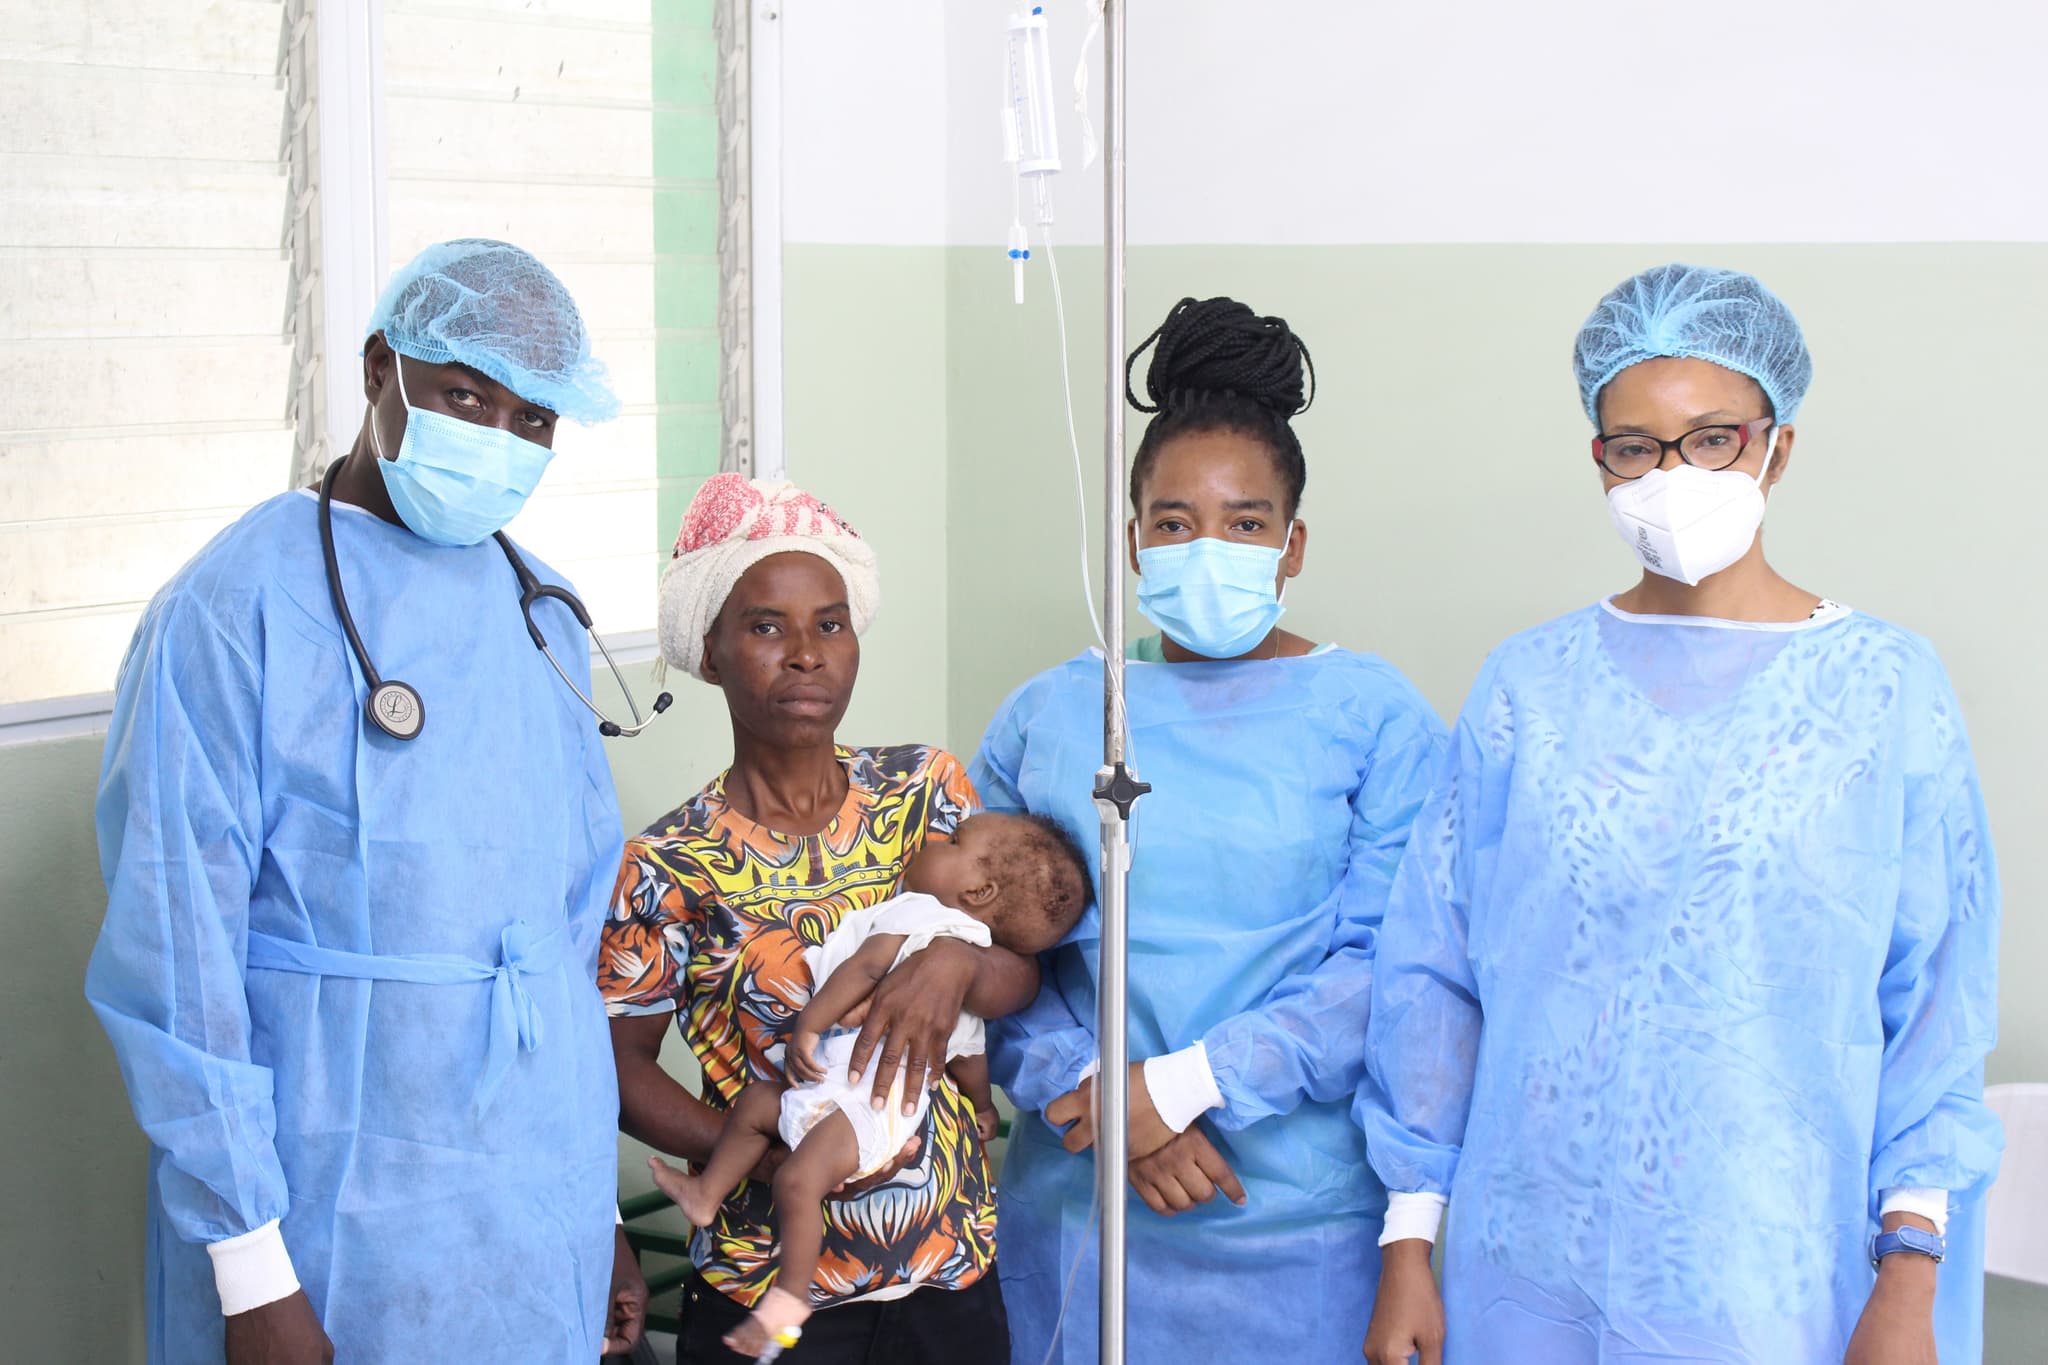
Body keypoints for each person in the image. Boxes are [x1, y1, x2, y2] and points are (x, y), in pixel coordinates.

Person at [1360, 263, 2002, 1365]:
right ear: (1598, 460)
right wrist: (1406, 1241)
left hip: (1778, 1277)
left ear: (1775, 447)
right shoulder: (1527, 687)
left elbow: (1935, 998)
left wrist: (1908, 1272)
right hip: (1524, 1269)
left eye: (1710, 439)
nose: (1672, 473)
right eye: (1635, 444)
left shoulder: (1882, 688)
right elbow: (1433, 972)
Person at [86, 238, 649, 1364]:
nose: (496, 440)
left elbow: (564, 936)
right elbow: (180, 965)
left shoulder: (539, 610)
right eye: (461, 397)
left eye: (532, 419)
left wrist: (594, 1223)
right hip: (330, 1207)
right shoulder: (230, 609)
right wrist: (250, 1273)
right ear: (377, 369)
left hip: (534, 1195)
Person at [973, 296, 1449, 1364]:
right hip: (1083, 1212)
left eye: (1244, 524)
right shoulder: (1055, 716)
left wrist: (1181, 1088)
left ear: (1291, 545)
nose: (1208, 547)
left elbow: (1398, 965)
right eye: (1175, 523)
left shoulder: (1373, 718)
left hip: (1300, 1227)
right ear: (1133, 538)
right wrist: (1092, 1100)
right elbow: (972, 944)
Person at [601, 473, 1041, 1364]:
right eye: (767, 625)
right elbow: (617, 1068)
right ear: (712, 651)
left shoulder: (928, 792)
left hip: (947, 1269)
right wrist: (751, 1150)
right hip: (766, 1283)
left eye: (829, 623)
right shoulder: (666, 862)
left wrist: (954, 967)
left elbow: (1021, 970)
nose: (806, 652)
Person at [647, 811, 1092, 1358]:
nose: (933, 838)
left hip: (870, 1109)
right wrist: (982, 1107)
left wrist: (809, 1023)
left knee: (797, 1182)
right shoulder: (969, 951)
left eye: (952, 841)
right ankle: (706, 1193)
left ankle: (788, 1302)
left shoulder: (923, 917)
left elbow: (862, 969)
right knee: (760, 1104)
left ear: (978, 889)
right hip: (841, 1096)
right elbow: (970, 1054)